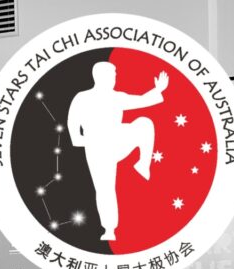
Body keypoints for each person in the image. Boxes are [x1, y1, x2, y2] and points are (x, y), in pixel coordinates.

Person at [68, 61, 167, 241]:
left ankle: (142, 163)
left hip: (117, 140)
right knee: (105, 188)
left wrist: (158, 89)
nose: (115, 78)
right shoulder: (83, 97)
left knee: (144, 123)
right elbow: (73, 120)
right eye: (113, 75)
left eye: (115, 75)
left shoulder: (117, 97)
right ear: (100, 76)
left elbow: (141, 100)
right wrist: (78, 139)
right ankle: (109, 229)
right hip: (97, 147)